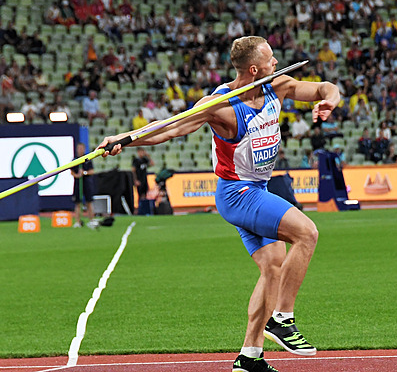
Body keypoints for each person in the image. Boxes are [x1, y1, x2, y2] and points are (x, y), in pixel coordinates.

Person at [99, 36, 339, 372]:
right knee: (307, 233)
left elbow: (324, 87)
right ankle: (282, 318)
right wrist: (124, 139)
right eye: (270, 59)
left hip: (260, 188)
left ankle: (250, 357)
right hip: (238, 194)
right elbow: (171, 128)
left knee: (273, 268)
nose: (276, 63)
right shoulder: (221, 105)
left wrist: (329, 101)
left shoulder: (278, 85)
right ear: (253, 68)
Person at [70, 143, 96, 228]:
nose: (80, 150)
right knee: (77, 203)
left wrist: (84, 173)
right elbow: (72, 172)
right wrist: (77, 175)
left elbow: (92, 171)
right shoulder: (74, 160)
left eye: (81, 148)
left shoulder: (88, 158)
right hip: (78, 183)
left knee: (89, 202)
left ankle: (91, 220)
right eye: (78, 148)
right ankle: (77, 221)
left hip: (87, 182)